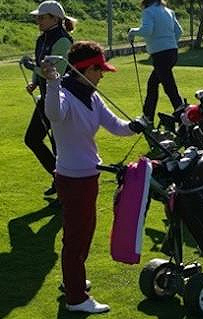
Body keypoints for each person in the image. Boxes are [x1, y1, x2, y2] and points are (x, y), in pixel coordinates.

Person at [40, 40, 148, 313]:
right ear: (83, 70)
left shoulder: (92, 96)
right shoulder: (63, 93)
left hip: (89, 176)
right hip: (72, 178)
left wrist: (135, 125)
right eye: (98, 70)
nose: (102, 75)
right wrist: (51, 81)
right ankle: (76, 298)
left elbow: (116, 126)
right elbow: (53, 113)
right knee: (76, 238)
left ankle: (72, 280)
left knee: (83, 234)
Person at [21, 0, 76, 196]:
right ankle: (60, 180)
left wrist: (32, 68)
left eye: (42, 17)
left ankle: (64, 184)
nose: (38, 21)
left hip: (61, 98)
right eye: (38, 17)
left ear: (55, 18)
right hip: (46, 97)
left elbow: (56, 73)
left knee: (56, 144)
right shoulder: (42, 39)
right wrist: (35, 81)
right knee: (33, 139)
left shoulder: (63, 40)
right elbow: (41, 65)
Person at [127, 0, 183, 127]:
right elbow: (178, 31)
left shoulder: (148, 12)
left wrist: (132, 32)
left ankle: (182, 115)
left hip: (160, 54)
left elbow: (147, 30)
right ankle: (148, 115)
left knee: (169, 87)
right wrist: (169, 42)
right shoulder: (169, 12)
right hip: (172, 52)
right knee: (154, 83)